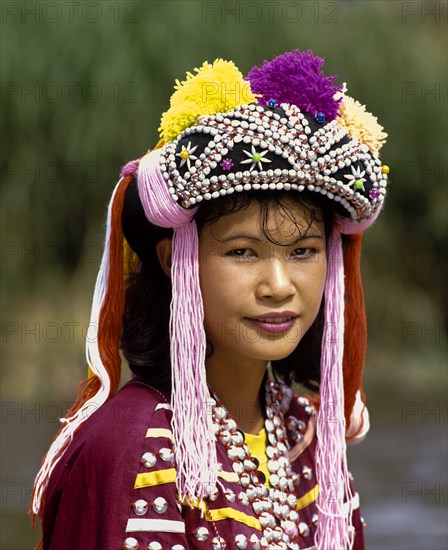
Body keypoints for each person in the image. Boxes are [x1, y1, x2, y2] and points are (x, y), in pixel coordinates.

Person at [31, 50, 388, 550]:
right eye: (243, 252)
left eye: (303, 251)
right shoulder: (130, 443)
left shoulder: (309, 432)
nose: (279, 285)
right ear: (172, 259)